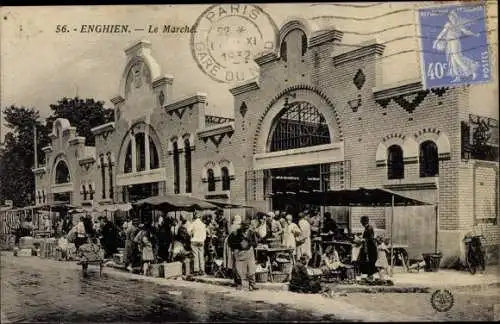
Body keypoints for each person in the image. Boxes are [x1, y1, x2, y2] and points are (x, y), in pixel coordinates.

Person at [433, 10, 480, 83]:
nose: (451, 18)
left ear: (455, 16)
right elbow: (442, 33)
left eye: (452, 16)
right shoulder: (448, 24)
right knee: (452, 61)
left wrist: (474, 34)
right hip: (449, 43)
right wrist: (435, 42)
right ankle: (457, 77)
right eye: (450, 16)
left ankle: (471, 72)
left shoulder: (458, 24)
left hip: (454, 42)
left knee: (456, 57)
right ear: (449, 17)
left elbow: (466, 31)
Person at [228, 220, 259, 291]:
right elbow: (230, 242)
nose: (245, 229)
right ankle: (239, 284)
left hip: (249, 253)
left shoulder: (251, 233)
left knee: (251, 269)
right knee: (238, 269)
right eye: (244, 227)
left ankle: (252, 285)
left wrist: (249, 243)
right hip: (239, 254)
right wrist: (239, 245)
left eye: (247, 227)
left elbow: (255, 243)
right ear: (241, 226)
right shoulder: (235, 233)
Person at [358, 216, 378, 280]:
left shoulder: (369, 228)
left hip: (371, 248)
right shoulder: (367, 228)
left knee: (370, 262)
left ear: (364, 222)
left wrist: (363, 240)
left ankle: (370, 276)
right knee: (367, 262)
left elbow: (370, 238)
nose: (361, 223)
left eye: (361, 222)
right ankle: (369, 276)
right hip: (368, 247)